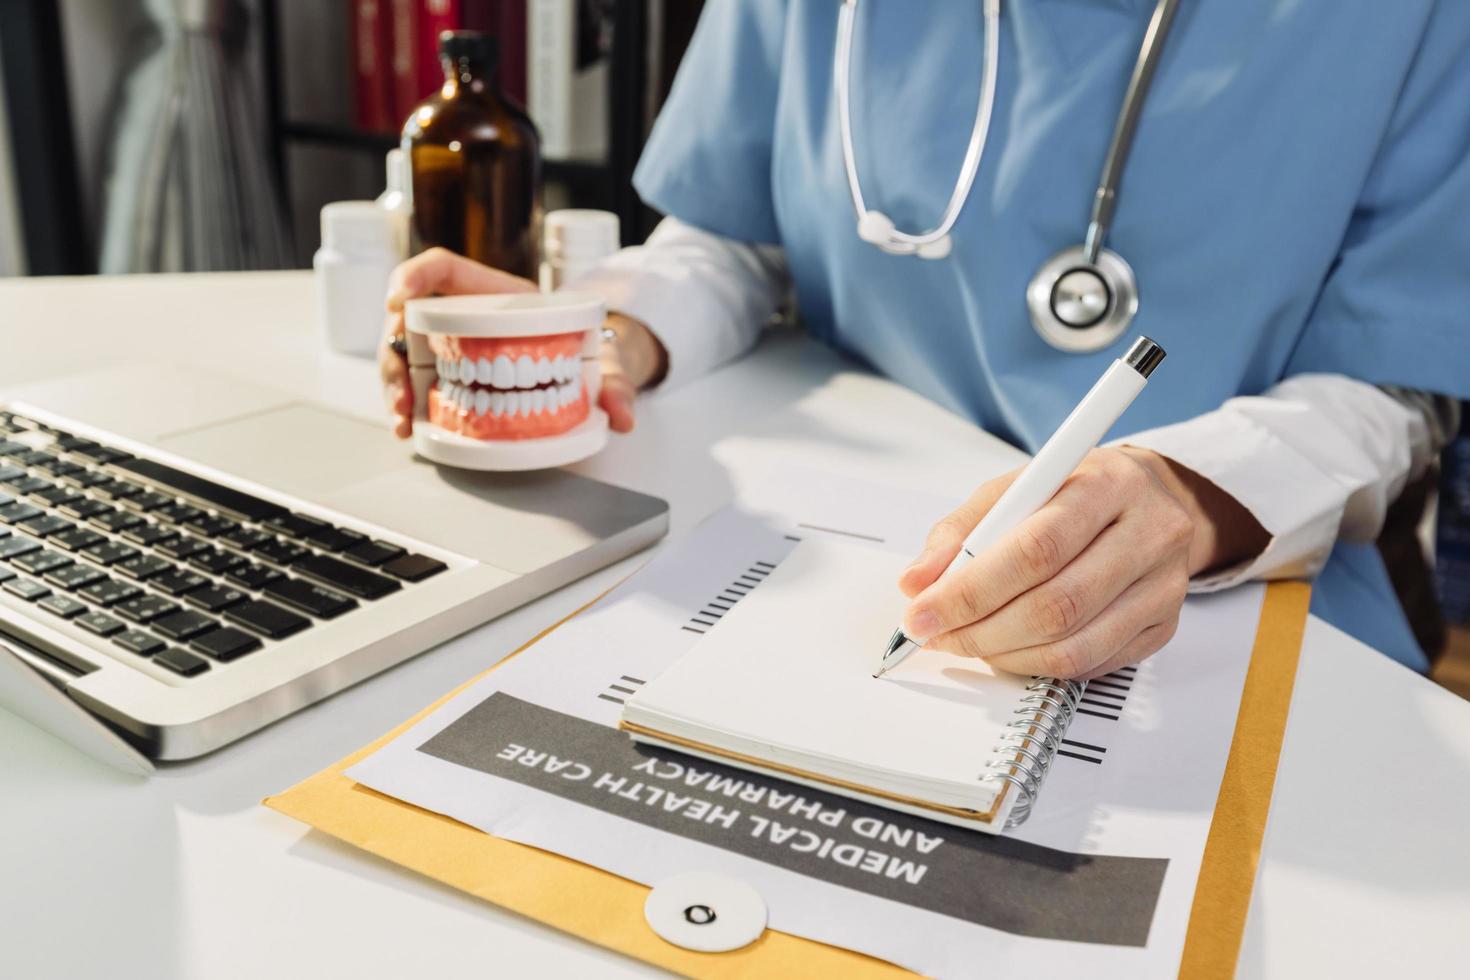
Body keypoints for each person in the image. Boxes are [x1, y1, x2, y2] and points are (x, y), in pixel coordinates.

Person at [382, 0, 1469, 679]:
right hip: (836, 538)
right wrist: (598, 339)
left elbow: (1400, 384)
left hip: (1244, 607)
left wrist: (1191, 497)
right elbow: (730, 237)